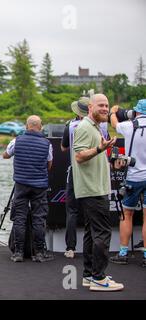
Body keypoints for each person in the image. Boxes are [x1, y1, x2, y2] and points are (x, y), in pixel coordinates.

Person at [72, 93, 124, 291]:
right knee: (102, 233)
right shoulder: (85, 127)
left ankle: (89, 275)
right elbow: (79, 156)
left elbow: (92, 156)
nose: (105, 108)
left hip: (93, 188)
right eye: (101, 105)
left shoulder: (94, 127)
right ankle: (99, 278)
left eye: (107, 105)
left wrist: (111, 162)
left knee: (91, 234)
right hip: (93, 190)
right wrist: (99, 149)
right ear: (90, 107)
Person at [61, 97, 109, 258]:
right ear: (89, 108)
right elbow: (106, 144)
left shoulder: (70, 125)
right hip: (93, 174)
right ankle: (95, 271)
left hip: (74, 172)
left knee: (72, 211)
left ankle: (70, 247)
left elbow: (63, 147)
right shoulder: (100, 125)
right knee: (93, 221)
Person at [3, 115, 54, 263]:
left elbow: (6, 155)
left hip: (21, 185)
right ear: (41, 126)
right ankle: (39, 253)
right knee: (39, 219)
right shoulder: (47, 144)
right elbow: (49, 164)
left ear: (26, 126)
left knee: (19, 218)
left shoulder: (16, 141)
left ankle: (18, 253)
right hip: (40, 186)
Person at [109, 99, 146, 267]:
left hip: (133, 177)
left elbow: (115, 123)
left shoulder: (130, 125)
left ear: (136, 112)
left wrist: (113, 111)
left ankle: (123, 253)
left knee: (126, 215)